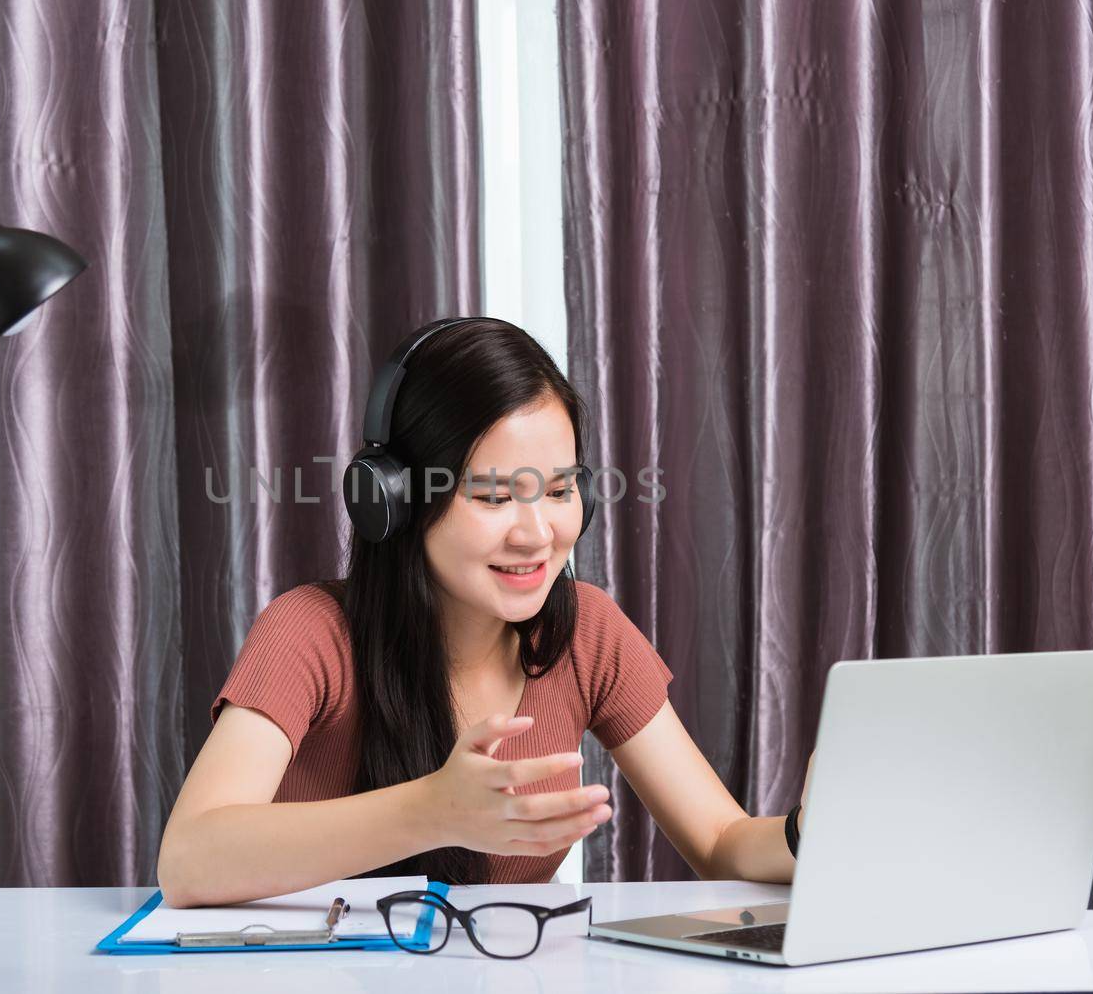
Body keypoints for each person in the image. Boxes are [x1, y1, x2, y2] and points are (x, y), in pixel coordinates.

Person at [156, 317, 814, 908]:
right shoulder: (309, 633)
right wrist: (435, 811)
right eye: (494, 496)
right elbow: (190, 859)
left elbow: (722, 840)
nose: (535, 533)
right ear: (394, 501)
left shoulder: (587, 631)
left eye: (559, 489)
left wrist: (805, 830)